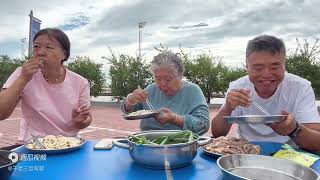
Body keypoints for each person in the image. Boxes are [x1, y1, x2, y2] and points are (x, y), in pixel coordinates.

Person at [211, 35, 320, 151]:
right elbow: (217, 133)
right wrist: (227, 108)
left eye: (274, 67)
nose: (267, 74)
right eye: (258, 68)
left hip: (288, 153)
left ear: (284, 65)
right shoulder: (237, 87)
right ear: (247, 66)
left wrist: (294, 129)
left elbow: (316, 143)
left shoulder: (300, 87)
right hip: (245, 151)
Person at [0, 28, 91, 148]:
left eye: (49, 47)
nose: (40, 52)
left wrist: (81, 121)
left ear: (64, 54)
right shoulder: (22, 73)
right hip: (32, 145)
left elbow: (86, 119)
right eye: (36, 46)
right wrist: (23, 79)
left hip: (67, 144)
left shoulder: (80, 82)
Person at [121, 51, 209, 135]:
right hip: (148, 141)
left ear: (180, 76)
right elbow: (128, 111)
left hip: (180, 144)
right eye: (158, 79)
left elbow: (203, 124)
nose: (162, 84)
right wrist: (130, 100)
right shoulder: (151, 90)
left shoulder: (192, 91)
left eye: (168, 79)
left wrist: (175, 119)